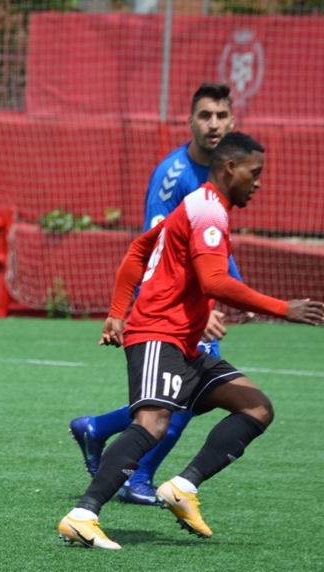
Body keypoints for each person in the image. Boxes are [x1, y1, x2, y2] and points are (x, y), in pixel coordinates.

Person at [57, 131, 324, 549]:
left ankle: (182, 487)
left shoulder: (197, 206)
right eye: (254, 173)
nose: (258, 183)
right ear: (230, 168)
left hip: (184, 345)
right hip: (156, 334)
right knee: (152, 424)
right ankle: (83, 514)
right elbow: (214, 281)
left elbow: (136, 251)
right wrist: (281, 308)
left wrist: (114, 313)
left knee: (255, 407)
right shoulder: (208, 211)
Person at [69, 83, 247, 506]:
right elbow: (156, 251)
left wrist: (234, 292)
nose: (214, 124)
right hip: (166, 306)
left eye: (221, 116)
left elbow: (215, 244)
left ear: (233, 120)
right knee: (180, 398)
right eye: (205, 116)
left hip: (194, 302)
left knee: (183, 397)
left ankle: (98, 429)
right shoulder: (173, 175)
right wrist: (197, 309)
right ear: (190, 122)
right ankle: (136, 477)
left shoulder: (228, 169)